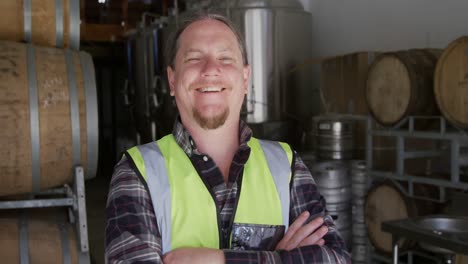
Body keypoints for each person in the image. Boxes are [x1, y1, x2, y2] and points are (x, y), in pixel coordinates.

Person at [105, 12, 351, 263]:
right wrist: (280, 257)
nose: (211, 69)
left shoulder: (286, 165)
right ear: (171, 80)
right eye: (194, 58)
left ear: (245, 79)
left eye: (225, 58)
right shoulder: (137, 172)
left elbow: (336, 258)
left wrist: (220, 260)